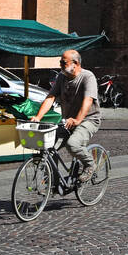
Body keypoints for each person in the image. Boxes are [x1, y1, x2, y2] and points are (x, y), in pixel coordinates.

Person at [31, 50, 102, 181]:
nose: (60, 65)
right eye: (60, 62)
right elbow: (51, 97)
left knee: (73, 144)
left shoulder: (88, 77)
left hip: (88, 120)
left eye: (63, 63)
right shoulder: (61, 77)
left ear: (75, 63)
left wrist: (78, 119)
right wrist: (38, 117)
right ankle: (52, 182)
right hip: (68, 121)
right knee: (48, 144)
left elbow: (88, 100)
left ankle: (90, 165)